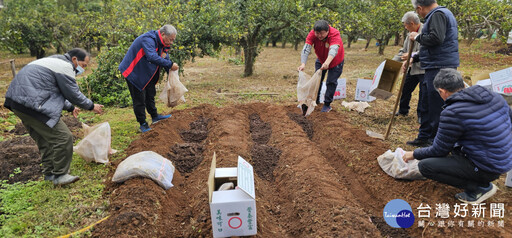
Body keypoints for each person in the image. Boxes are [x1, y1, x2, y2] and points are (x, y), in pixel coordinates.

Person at [403, 69, 512, 204]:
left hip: (487, 166)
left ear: (442, 91)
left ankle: (478, 188)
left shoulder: (452, 112)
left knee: (426, 166)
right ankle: (479, 176)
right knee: (453, 149)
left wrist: (413, 154)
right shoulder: (492, 95)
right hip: (504, 159)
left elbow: (438, 150)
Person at [4, 48, 104, 186]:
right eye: (84, 65)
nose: (83, 69)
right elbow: (73, 93)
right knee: (63, 137)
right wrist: (91, 106)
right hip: (31, 104)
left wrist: (70, 107)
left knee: (45, 139)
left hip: (17, 102)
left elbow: (48, 90)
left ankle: (50, 174)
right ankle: (60, 175)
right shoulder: (64, 66)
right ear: (74, 59)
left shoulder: (54, 62)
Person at [406, 0, 459, 147]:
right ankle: (424, 136)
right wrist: (415, 57)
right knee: (427, 102)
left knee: (437, 104)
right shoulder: (440, 14)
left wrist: (416, 37)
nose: (419, 14)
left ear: (420, 8)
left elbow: (436, 39)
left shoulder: (438, 14)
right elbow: (434, 45)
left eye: (417, 11)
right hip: (434, 64)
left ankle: (436, 141)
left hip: (440, 66)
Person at [119, 24, 179, 132]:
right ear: (163, 34)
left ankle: (155, 116)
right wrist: (170, 65)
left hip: (146, 71)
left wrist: (169, 70)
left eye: (173, 40)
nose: (171, 42)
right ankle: (143, 124)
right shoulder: (148, 39)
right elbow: (152, 56)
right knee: (139, 99)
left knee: (150, 94)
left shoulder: (162, 43)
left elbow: (164, 55)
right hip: (133, 71)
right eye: (170, 39)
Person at [298, 20, 345, 113]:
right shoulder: (312, 34)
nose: (319, 36)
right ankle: (316, 100)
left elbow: (333, 50)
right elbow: (306, 48)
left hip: (335, 61)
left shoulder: (334, 33)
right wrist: (303, 63)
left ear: (327, 31)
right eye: (317, 33)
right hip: (321, 59)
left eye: (322, 34)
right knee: (317, 81)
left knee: (331, 82)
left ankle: (327, 104)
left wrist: (327, 63)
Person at [393, 12, 424, 119]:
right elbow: (404, 51)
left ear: (411, 23)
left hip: (424, 68)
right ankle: (403, 110)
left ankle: (421, 115)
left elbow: (425, 51)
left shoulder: (426, 31)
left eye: (406, 25)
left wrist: (411, 56)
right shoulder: (409, 34)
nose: (405, 28)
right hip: (411, 68)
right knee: (405, 88)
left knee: (423, 93)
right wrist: (393, 61)